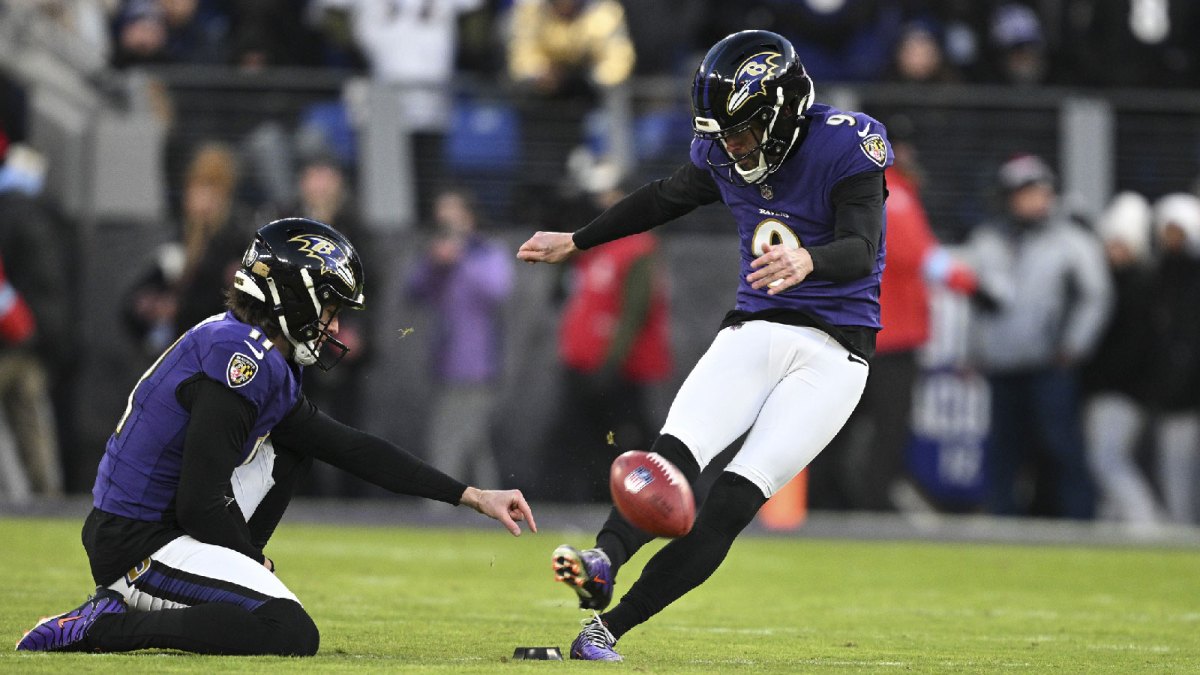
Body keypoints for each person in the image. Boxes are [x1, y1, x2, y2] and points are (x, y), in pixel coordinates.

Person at [517, 30, 890, 660]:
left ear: (781, 112)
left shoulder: (846, 142)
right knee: (671, 458)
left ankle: (605, 633)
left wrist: (808, 260)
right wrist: (579, 240)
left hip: (836, 353)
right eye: (722, 132)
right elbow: (665, 197)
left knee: (730, 504)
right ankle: (602, 560)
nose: (730, 145)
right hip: (757, 327)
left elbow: (860, 249)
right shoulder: (721, 152)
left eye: (741, 130)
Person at [15, 217, 535, 655]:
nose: (333, 324)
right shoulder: (240, 359)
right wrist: (246, 555)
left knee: (297, 443)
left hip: (162, 525)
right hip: (138, 542)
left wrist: (470, 495)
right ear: (297, 297)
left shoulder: (257, 352)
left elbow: (348, 446)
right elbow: (200, 500)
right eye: (329, 307)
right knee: (288, 629)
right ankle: (105, 626)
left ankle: (190, 589)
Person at [962, 154, 1111, 520]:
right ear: (1008, 197)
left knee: (1060, 444)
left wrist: (1074, 345)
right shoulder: (987, 240)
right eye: (1025, 193)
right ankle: (1002, 518)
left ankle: (1079, 518)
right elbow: (975, 299)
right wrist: (974, 349)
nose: (1035, 201)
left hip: (1050, 362)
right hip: (1001, 362)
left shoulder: (1071, 241)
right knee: (1003, 448)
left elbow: (1095, 296)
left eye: (1041, 193)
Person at [407, 188, 514, 487]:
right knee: (475, 446)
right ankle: (495, 507)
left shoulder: (486, 251)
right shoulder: (435, 255)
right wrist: (435, 263)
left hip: (478, 367)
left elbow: (497, 289)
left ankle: (438, 508)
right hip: (445, 362)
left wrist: (461, 257)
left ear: (468, 216)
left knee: (449, 441)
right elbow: (414, 290)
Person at [1080, 192, 1165, 526]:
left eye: (1121, 243)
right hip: (1110, 388)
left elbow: (1131, 348)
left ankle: (1146, 523)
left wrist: (1097, 376)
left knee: (1107, 458)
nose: (1113, 251)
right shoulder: (1109, 280)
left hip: (1123, 390)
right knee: (1107, 458)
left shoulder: (1140, 286)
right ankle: (1113, 527)